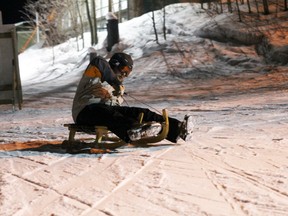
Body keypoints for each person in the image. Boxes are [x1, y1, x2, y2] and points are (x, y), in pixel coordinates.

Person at [72, 52, 193, 143]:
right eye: (123, 70)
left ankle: (177, 128)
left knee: (139, 112)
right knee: (108, 113)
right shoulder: (96, 71)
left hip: (104, 111)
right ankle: (133, 129)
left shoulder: (117, 87)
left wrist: (117, 91)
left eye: (127, 73)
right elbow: (98, 61)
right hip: (85, 111)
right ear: (115, 64)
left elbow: (115, 107)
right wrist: (115, 83)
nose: (124, 75)